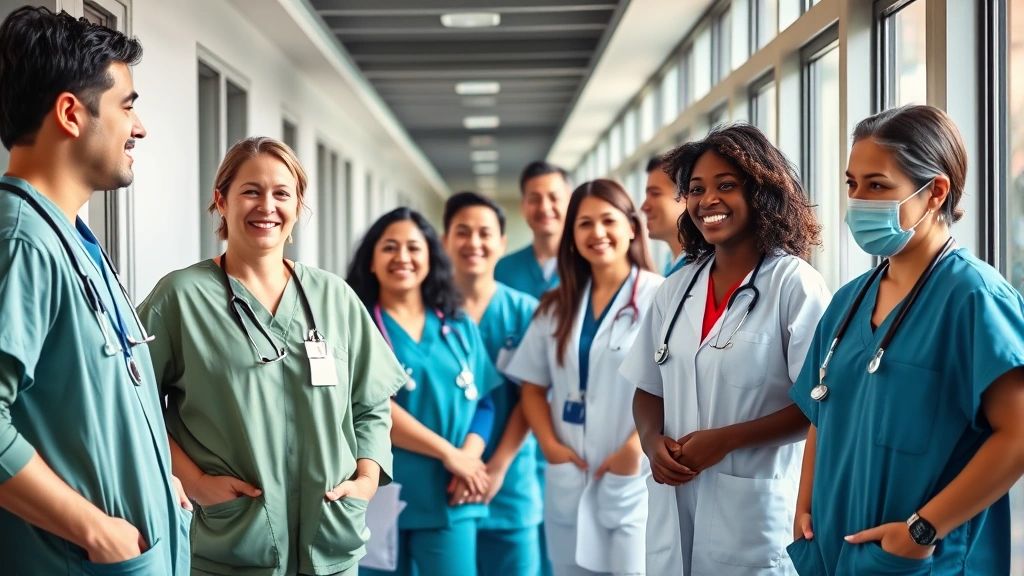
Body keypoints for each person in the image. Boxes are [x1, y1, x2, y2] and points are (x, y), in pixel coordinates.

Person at [137, 137, 406, 576]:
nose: (267, 205)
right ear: (221, 202)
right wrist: (196, 482)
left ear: (298, 205)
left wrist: (368, 477)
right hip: (234, 546)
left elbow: (371, 403)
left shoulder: (333, 296)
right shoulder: (180, 297)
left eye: (282, 193)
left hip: (331, 546)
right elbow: (134, 403)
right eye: (251, 191)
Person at [788, 105, 1024, 575]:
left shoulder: (973, 297)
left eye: (877, 185)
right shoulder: (849, 301)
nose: (858, 201)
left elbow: (1018, 434)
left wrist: (921, 531)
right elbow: (822, 409)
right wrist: (804, 506)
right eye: (852, 185)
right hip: (835, 550)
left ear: (935, 192)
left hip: (920, 558)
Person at [0, 7, 192, 575]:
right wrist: (95, 528)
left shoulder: (74, 241)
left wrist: (160, 484)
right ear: (70, 113)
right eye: (127, 106)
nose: (140, 127)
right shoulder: (22, 243)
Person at [620, 124, 831, 576]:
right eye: (696, 189)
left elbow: (817, 404)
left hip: (752, 515)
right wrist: (650, 441)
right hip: (672, 504)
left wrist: (726, 441)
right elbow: (647, 386)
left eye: (726, 186)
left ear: (762, 193)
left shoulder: (794, 285)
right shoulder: (675, 289)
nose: (707, 200)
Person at [507, 179, 663, 576]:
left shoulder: (662, 298)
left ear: (631, 226)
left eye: (608, 220)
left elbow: (674, 388)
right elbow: (532, 387)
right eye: (584, 223)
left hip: (633, 474)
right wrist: (551, 448)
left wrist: (633, 450)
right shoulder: (556, 305)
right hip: (569, 472)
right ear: (572, 237)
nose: (597, 233)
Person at [350, 208, 503, 576]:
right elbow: (371, 407)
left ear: (431, 258)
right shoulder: (356, 326)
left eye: (413, 248)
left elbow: (484, 400)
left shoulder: (457, 323)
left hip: (452, 493)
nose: (402, 257)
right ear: (371, 260)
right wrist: (451, 455)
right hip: (382, 490)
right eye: (389, 247)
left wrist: (469, 456)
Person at [442, 192, 544, 576]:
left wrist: (497, 469)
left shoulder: (526, 312)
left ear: (502, 242)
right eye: (462, 232)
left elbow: (532, 397)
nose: (474, 243)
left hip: (510, 482)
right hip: (445, 480)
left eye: (485, 233)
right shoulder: (424, 313)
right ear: (444, 240)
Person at [495, 161, 573, 299]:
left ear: (570, 202)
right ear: (523, 206)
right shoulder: (502, 270)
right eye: (534, 199)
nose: (544, 207)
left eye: (554, 198)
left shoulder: (587, 266)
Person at [641, 154, 688, 276]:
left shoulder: (706, 267)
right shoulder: (670, 264)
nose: (644, 207)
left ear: (686, 197)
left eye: (655, 194)